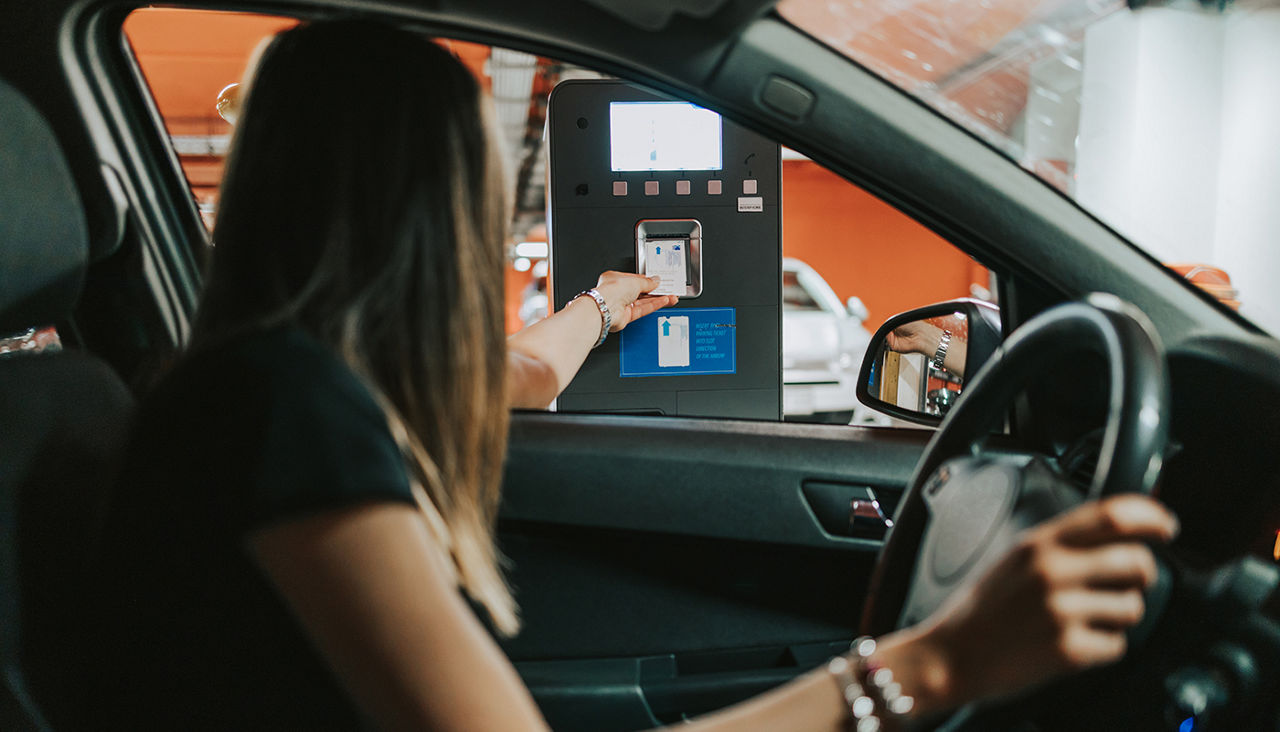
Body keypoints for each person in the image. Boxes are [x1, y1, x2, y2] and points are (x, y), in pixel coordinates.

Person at [90, 19, 1179, 731]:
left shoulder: (289, 385)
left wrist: (606, 304)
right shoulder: (285, 408)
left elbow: (507, 376)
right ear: (429, 212)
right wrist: (935, 666)